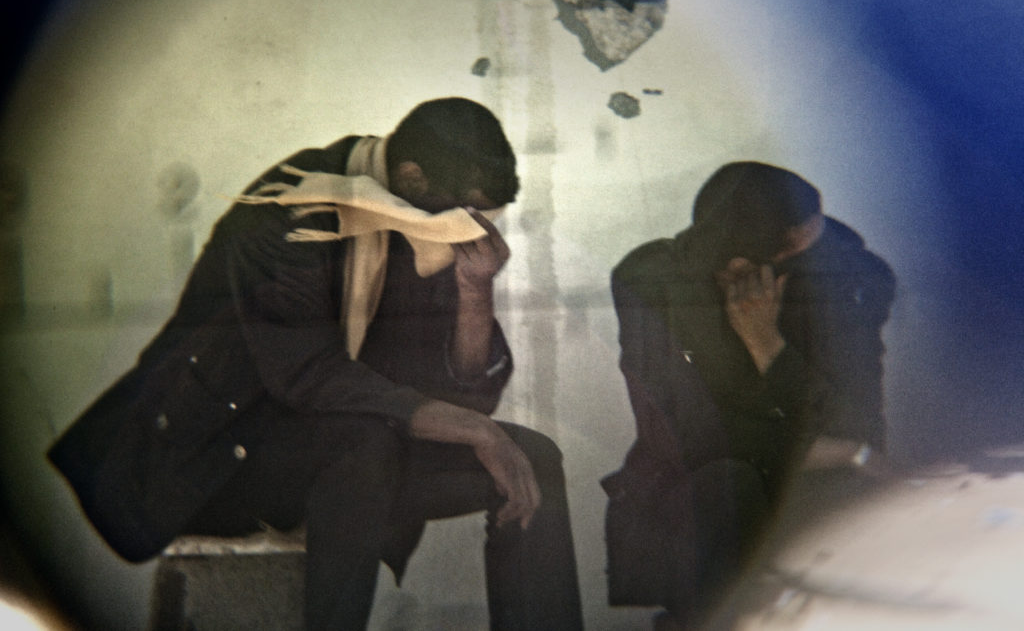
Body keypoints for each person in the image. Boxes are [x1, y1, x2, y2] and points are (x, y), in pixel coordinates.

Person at [48, 98, 583, 630]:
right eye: (463, 212)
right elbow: (308, 375)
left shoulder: (424, 221)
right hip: (219, 457)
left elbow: (462, 399)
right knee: (362, 439)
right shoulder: (291, 203)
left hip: (347, 456)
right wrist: (475, 429)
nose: (470, 229)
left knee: (530, 457)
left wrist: (474, 291)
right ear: (412, 179)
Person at [602, 161, 895, 630]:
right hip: (701, 486)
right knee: (728, 485)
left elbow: (849, 417)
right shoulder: (652, 279)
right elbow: (692, 439)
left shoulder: (846, 277)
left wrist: (768, 346)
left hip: (814, 486)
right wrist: (841, 451)